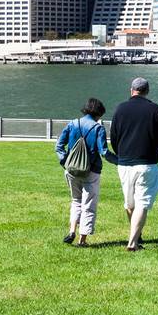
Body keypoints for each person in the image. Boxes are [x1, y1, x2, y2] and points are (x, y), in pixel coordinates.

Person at [108, 77, 158, 251]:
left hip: (124, 163)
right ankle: (133, 242)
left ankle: (135, 237)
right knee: (142, 202)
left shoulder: (120, 109)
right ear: (147, 91)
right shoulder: (154, 110)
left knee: (130, 204)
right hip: (146, 163)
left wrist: (120, 153)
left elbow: (114, 136)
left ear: (132, 90)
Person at [56, 98, 111, 247]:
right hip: (91, 171)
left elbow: (59, 146)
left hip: (72, 170)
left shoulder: (73, 123)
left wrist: (65, 162)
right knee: (89, 204)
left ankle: (72, 230)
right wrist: (119, 160)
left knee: (76, 200)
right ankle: (82, 240)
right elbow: (104, 152)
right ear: (99, 113)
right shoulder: (98, 128)